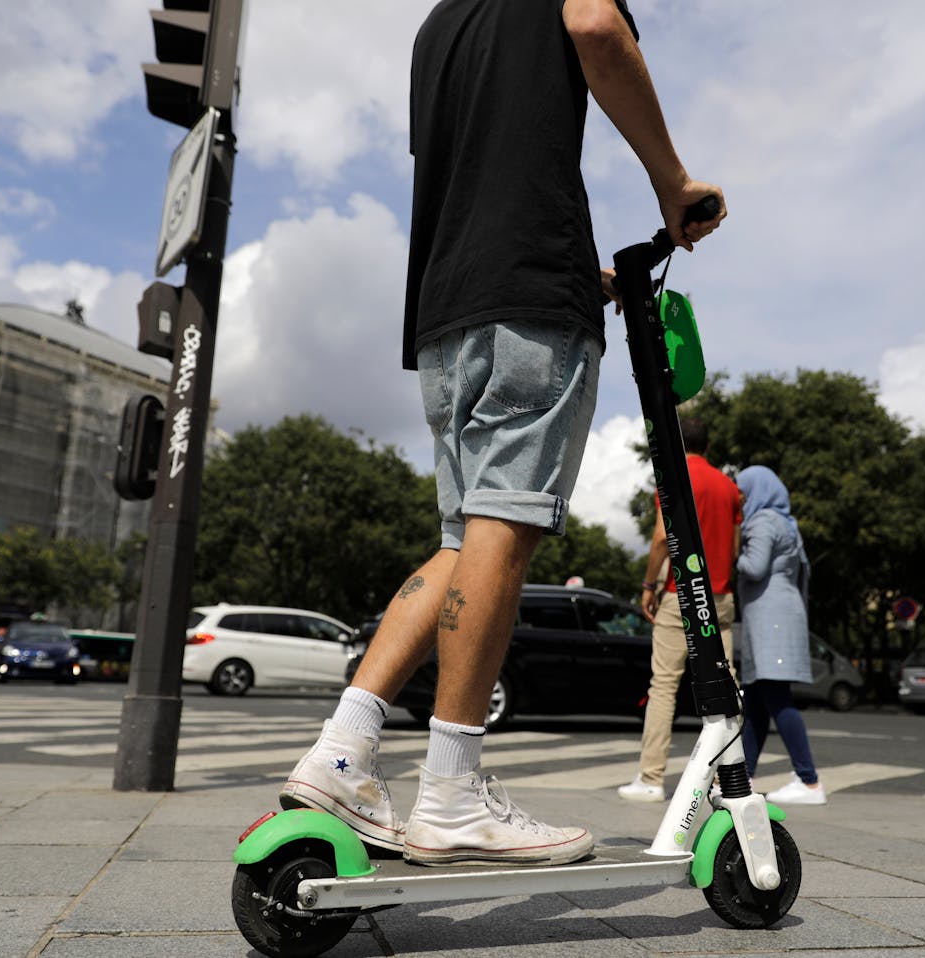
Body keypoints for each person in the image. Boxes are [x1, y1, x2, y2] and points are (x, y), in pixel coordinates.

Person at [280, 0, 726, 867]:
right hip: (527, 307)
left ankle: (339, 750)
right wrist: (673, 183)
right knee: (508, 521)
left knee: (462, 537)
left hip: (447, 311)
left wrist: (574, 274)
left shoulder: (436, 28)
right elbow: (598, 26)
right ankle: (450, 793)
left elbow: (476, 171)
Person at [618, 417, 741, 802]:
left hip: (680, 594)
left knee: (664, 686)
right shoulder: (729, 487)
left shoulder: (673, 477)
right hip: (720, 596)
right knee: (726, 686)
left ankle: (651, 778)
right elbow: (734, 549)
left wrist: (648, 584)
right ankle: (729, 780)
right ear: (707, 444)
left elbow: (660, 539)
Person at [734, 465, 824, 805]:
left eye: (742, 493)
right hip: (781, 614)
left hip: (770, 617)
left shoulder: (762, 521)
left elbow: (755, 568)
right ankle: (743, 779)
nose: (739, 500)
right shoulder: (786, 522)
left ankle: (809, 780)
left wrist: (733, 554)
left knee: (775, 696)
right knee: (757, 700)